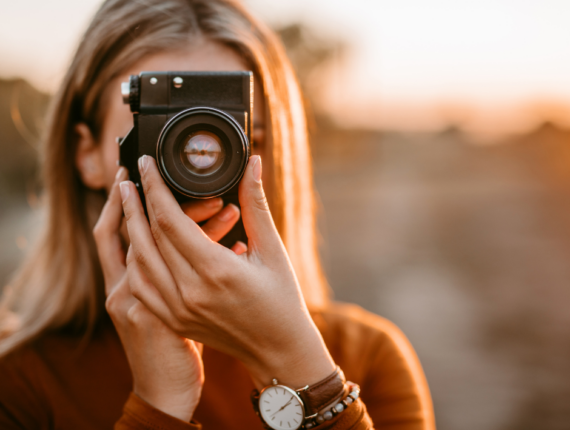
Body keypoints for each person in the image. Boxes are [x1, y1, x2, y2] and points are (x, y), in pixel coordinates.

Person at [0, 0, 435, 429]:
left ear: (276, 153)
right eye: (165, 140)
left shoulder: (366, 356)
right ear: (88, 155)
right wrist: (158, 403)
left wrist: (300, 367)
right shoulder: (19, 383)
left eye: (236, 140)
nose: (199, 173)